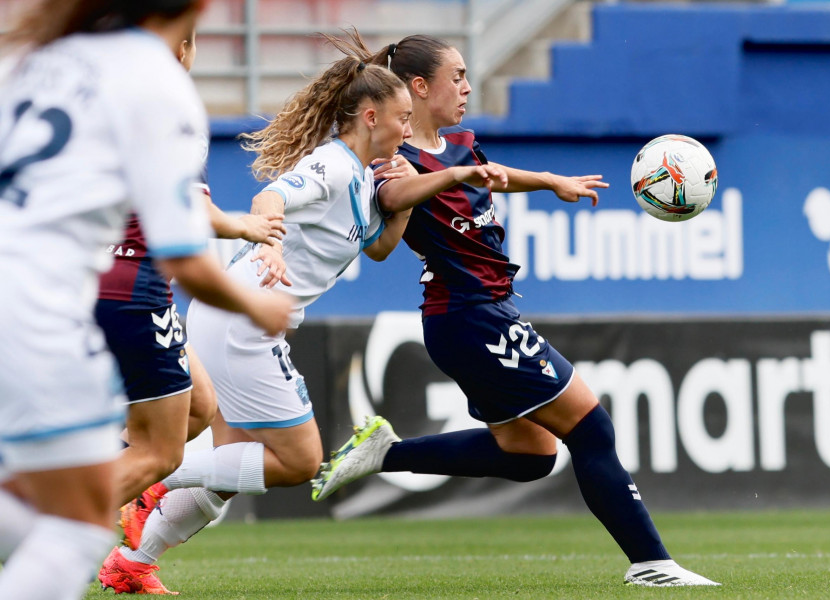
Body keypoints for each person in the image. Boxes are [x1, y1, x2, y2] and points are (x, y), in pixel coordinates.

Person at [97, 29, 508, 595]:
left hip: (237, 319)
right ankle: (153, 476)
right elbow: (271, 199)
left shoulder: (365, 178)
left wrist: (411, 198)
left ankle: (132, 562)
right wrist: (266, 242)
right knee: (296, 461)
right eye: (402, 118)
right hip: (244, 318)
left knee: (233, 467)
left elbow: (381, 247)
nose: (409, 130)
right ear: (369, 117)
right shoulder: (334, 167)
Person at [310, 34, 721, 588]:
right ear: (419, 87)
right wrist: (428, 189)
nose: (467, 86)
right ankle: (653, 564)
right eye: (456, 76)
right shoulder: (397, 163)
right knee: (592, 429)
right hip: (470, 316)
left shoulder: (456, 144)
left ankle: (387, 454)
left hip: (481, 313)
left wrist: (550, 181)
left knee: (529, 455)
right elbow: (387, 211)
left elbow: (489, 171)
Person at [0, 1, 293, 599]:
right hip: (86, 295)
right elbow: (182, 250)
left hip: (37, 285)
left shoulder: (40, 60)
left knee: (197, 406)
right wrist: (255, 306)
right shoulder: (156, 85)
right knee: (79, 513)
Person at [93, 27, 287, 538]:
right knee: (161, 451)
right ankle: (42, 523)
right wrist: (245, 225)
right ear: (183, 47)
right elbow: (192, 212)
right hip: (135, 282)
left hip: (81, 275)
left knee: (200, 405)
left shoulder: (100, 98)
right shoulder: (171, 106)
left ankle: (95, 478)